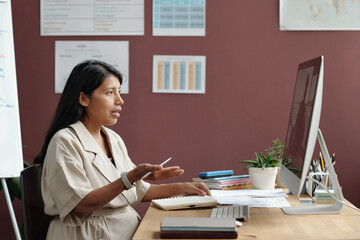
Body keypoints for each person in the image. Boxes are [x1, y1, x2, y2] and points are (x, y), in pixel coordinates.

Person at [34, 60, 210, 240]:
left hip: (125, 230)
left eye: (119, 91)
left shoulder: (113, 138)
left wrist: (183, 188)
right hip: (86, 234)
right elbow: (79, 205)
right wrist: (130, 177)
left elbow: (136, 191)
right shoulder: (65, 140)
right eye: (110, 92)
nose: (120, 100)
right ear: (83, 98)